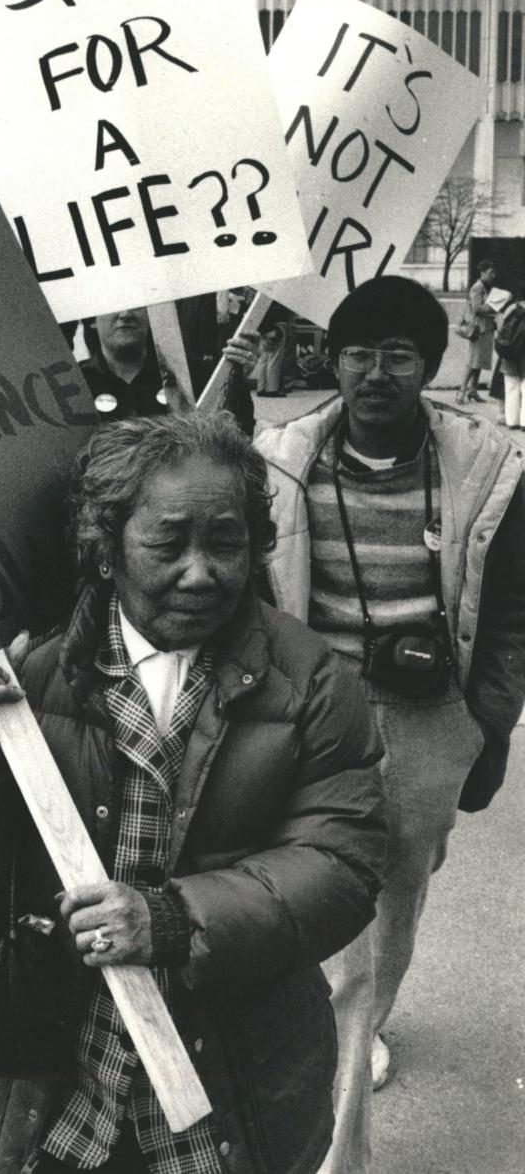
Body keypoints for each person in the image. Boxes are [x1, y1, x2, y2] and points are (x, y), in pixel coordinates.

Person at [0, 411, 387, 1174]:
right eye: (168, 543)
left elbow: (342, 865)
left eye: (226, 542)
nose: (201, 572)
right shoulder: (27, 674)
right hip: (58, 1083)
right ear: (107, 547)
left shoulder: (312, 684)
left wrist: (171, 919)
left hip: (235, 1089)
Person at [255, 275, 525, 1174]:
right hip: (310, 709)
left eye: (400, 355)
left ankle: (367, 1011)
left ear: (431, 367)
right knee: (313, 879)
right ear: (330, 360)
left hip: (427, 717)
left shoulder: (489, 466)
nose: (378, 372)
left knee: (398, 888)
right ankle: (340, 1051)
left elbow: (514, 611)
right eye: (360, 353)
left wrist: (486, 724)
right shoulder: (278, 457)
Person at [80, 305, 256, 433]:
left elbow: (239, 432)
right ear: (91, 320)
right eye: (115, 303)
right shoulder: (74, 384)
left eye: (137, 305)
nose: (125, 314)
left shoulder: (194, 374)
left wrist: (236, 375)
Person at [456, 259, 497, 404]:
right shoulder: (478, 287)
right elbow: (476, 308)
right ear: (482, 272)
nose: (493, 275)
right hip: (478, 329)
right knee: (473, 360)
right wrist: (495, 307)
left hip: (485, 329)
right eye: (491, 272)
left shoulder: (485, 287)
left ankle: (472, 390)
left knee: (478, 361)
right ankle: (461, 392)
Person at [495, 281, 525, 430]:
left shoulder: (511, 308)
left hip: (510, 353)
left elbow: (500, 329)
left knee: (511, 387)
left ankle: (512, 421)